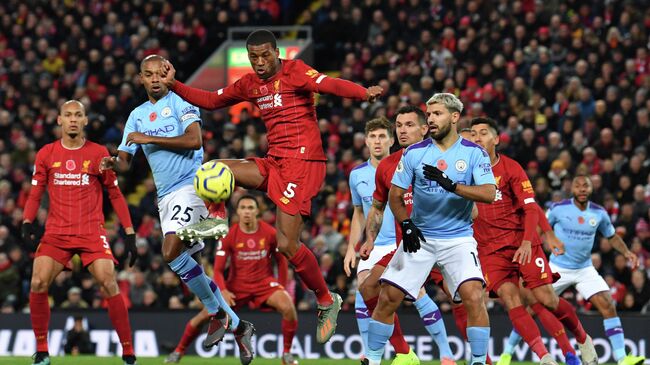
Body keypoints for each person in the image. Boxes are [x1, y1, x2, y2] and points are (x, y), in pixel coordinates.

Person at [159, 29, 383, 343]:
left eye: (266, 55)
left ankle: (325, 299)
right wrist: (173, 85)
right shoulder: (250, 83)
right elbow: (211, 101)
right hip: (275, 161)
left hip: (303, 165)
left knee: (287, 246)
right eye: (254, 57)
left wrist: (362, 93)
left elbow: (329, 84)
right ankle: (218, 217)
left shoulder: (295, 71)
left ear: (277, 53)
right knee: (215, 168)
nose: (260, 62)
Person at [101, 54, 254, 362]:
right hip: (165, 196)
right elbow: (126, 162)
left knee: (170, 250)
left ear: (167, 75)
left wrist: (149, 138)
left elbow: (194, 140)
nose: (155, 78)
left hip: (192, 184)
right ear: (141, 79)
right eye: (149, 74)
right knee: (180, 259)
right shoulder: (137, 115)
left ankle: (216, 311)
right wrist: (111, 163)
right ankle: (238, 325)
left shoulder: (181, 102)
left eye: (160, 73)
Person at [364, 93, 496, 365]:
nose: (431, 119)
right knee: (387, 297)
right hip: (420, 237)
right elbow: (395, 195)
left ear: (455, 117)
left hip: (458, 238)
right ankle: (373, 359)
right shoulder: (415, 153)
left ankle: (479, 361)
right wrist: (407, 224)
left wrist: (453, 186)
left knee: (473, 296)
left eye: (437, 114)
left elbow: (489, 193)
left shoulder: (474, 153)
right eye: (430, 114)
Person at [22, 100, 138, 365]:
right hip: (56, 233)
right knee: (38, 281)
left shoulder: (98, 153)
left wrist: (130, 234)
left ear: (85, 121)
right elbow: (35, 193)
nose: (73, 119)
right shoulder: (46, 153)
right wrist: (27, 222)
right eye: (68, 115)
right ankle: (41, 351)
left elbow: (115, 194)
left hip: (90, 232)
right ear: (60, 120)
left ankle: (129, 352)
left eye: (78, 115)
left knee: (108, 281)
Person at [469, 117, 590, 365]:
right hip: (489, 249)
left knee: (545, 299)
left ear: (496, 139)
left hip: (521, 243)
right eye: (473, 134)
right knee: (511, 299)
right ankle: (545, 358)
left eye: (483, 133)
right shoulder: (464, 170)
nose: (477, 137)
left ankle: (581, 337)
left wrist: (536, 238)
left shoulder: (511, 168)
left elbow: (530, 207)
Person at [501, 175, 646, 365]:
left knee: (608, 305)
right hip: (557, 267)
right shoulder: (558, 209)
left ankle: (622, 358)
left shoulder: (599, 213)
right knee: (532, 310)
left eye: (585, 186)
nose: (582, 189)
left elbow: (611, 236)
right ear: (572, 190)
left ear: (591, 189)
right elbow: (538, 227)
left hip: (585, 268)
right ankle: (506, 354)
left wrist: (627, 252)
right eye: (578, 186)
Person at [354, 106, 455, 365]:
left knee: (467, 299)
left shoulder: (445, 157)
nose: (402, 130)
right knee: (368, 287)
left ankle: (464, 357)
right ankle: (402, 353)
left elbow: (468, 204)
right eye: (399, 125)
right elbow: (376, 208)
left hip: (446, 243)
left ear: (424, 129)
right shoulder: (387, 166)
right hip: (409, 247)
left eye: (409, 125)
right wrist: (369, 239)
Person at [165, 195, 300, 365]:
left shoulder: (270, 233)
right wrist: (223, 290)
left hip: (264, 285)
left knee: (289, 307)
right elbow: (218, 269)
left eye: (250, 208)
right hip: (236, 287)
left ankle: (287, 354)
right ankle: (178, 352)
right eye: (243, 208)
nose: (246, 212)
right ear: (237, 211)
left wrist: (281, 285)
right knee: (204, 316)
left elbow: (281, 261)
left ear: (258, 211)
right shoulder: (229, 235)